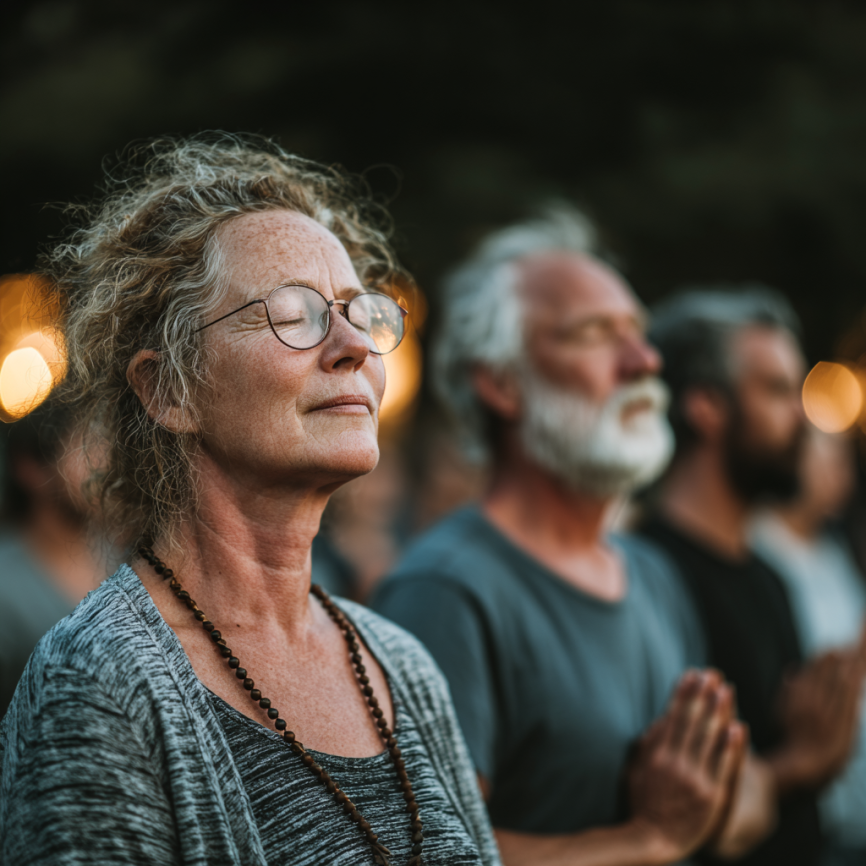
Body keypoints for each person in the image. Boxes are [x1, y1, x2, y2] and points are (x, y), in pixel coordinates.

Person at [0, 134, 499, 866]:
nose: (353, 345)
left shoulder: (400, 665)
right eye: (293, 314)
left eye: (359, 312)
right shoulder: (100, 681)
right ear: (168, 389)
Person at [373, 208, 754, 866]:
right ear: (501, 383)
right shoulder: (446, 590)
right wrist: (644, 840)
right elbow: (422, 852)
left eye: (637, 331)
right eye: (594, 334)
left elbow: (730, 799)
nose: (643, 360)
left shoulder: (652, 573)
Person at [640, 288, 866, 866]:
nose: (801, 415)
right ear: (705, 407)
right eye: (775, 389)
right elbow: (673, 806)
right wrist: (803, 761)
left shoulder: (769, 575)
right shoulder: (646, 572)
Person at [749, 427, 866, 866]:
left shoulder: (833, 553)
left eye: (846, 464)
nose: (844, 477)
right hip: (817, 809)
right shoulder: (758, 552)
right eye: (830, 461)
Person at [0, 396, 108, 716]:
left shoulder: (131, 561)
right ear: (30, 468)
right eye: (84, 449)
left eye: (104, 445)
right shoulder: (7, 586)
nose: (102, 463)